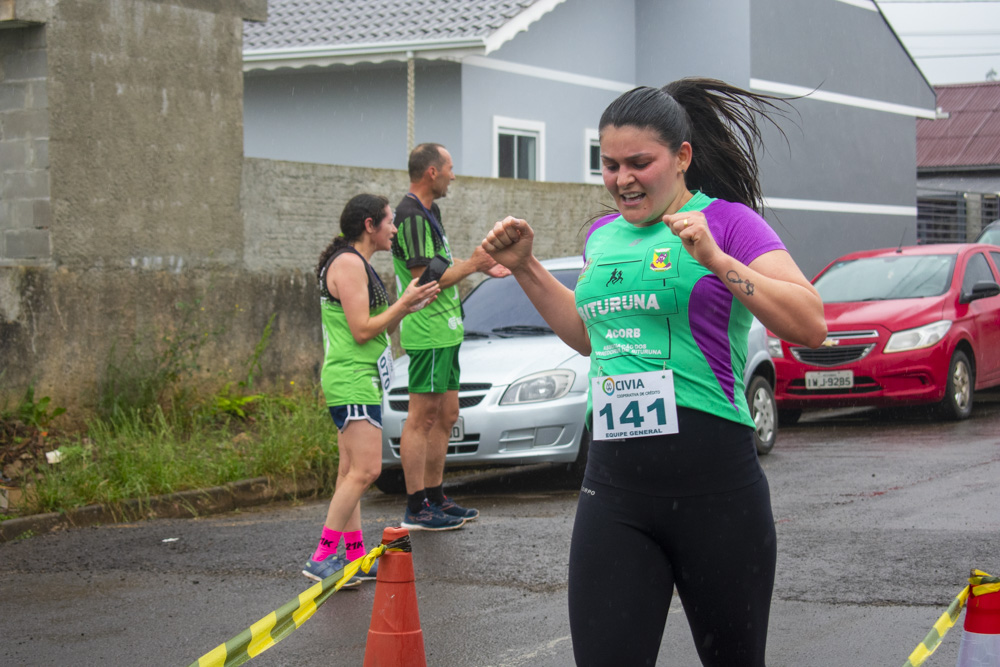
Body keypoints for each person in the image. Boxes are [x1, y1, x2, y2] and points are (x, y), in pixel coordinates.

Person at [482, 79, 827, 666]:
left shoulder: (729, 222)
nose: (622, 179)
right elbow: (589, 337)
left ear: (682, 156)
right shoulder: (600, 235)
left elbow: (810, 322)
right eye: (610, 164)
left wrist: (717, 260)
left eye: (640, 163)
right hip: (615, 490)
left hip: (715, 490)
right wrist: (527, 268)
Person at [303, 194, 440, 584]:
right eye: (389, 221)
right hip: (352, 379)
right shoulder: (348, 264)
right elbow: (363, 331)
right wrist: (404, 303)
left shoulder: (356, 263)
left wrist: (407, 306)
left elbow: (375, 328)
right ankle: (322, 556)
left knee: (350, 471)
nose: (394, 229)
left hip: (359, 378)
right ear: (369, 225)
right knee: (367, 470)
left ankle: (354, 557)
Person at [391, 143, 508, 531]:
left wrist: (478, 268)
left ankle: (435, 496)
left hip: (447, 330)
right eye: (450, 168)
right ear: (431, 172)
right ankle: (416, 507)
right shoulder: (410, 216)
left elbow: (441, 265)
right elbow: (424, 281)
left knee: (447, 414)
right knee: (421, 419)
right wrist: (474, 264)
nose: (453, 176)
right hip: (427, 332)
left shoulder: (430, 212)